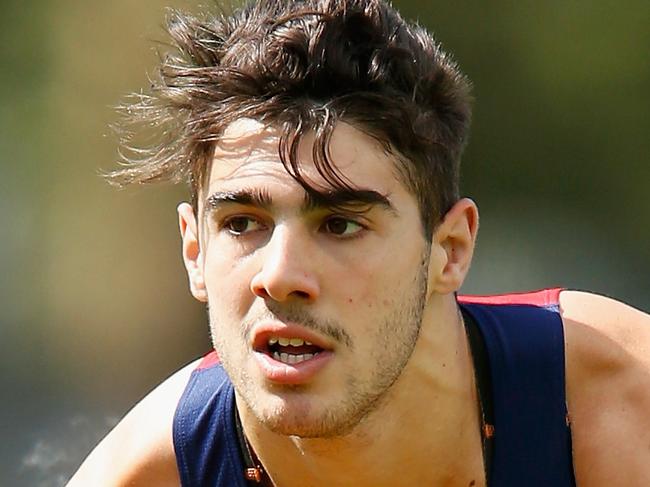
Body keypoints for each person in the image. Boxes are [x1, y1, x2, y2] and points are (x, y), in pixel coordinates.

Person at [67, 0, 650, 485]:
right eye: (242, 223)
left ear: (449, 250)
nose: (281, 274)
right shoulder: (146, 474)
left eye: (340, 224)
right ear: (194, 251)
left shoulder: (613, 400)